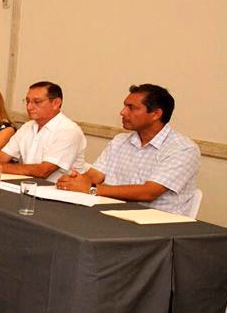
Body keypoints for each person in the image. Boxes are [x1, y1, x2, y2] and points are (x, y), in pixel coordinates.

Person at [56, 84, 200, 215]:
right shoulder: (120, 140)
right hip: (112, 214)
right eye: (124, 106)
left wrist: (91, 189)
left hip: (157, 223)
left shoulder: (183, 149)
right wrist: (75, 180)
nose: (122, 112)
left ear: (156, 114)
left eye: (131, 108)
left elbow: (149, 192)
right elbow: (97, 176)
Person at [0, 80, 85, 182]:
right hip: (27, 187)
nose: (29, 107)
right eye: (27, 101)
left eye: (37, 102)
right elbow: (2, 156)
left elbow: (43, 171)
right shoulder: (27, 127)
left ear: (56, 103)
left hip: (58, 193)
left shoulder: (69, 131)